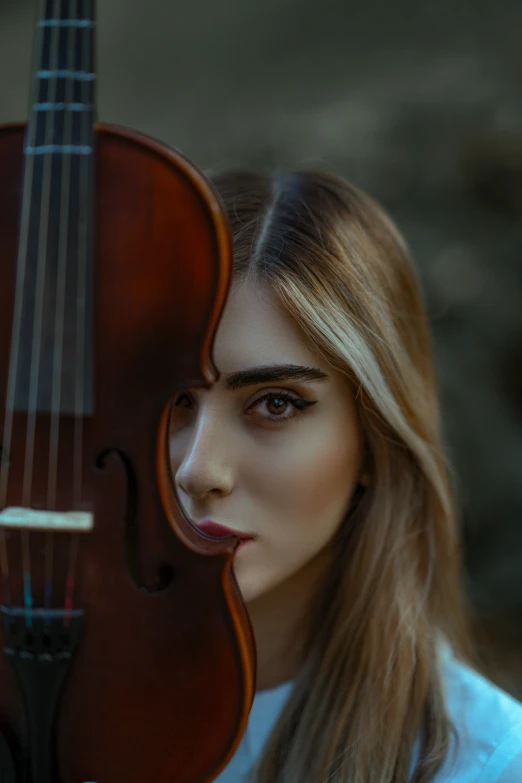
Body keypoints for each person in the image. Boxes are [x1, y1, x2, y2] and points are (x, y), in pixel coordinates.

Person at [168, 169, 522, 782]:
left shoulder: (487, 765)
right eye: (171, 400)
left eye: (275, 403)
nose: (199, 469)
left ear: (372, 441)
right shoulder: (48, 714)